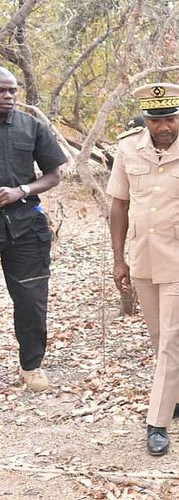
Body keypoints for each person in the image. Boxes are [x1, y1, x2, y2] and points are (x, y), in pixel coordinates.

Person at [107, 83, 179, 455]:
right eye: (156, 120)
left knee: (172, 337)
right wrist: (118, 257)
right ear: (146, 119)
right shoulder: (127, 147)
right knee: (160, 338)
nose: (163, 127)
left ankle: (157, 421)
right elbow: (119, 206)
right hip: (143, 256)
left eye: (170, 119)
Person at [0, 66, 66, 392]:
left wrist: (21, 191)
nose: (9, 96)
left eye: (12, 90)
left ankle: (32, 367)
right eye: (2, 91)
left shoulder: (31, 127)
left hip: (24, 228)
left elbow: (54, 174)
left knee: (30, 299)